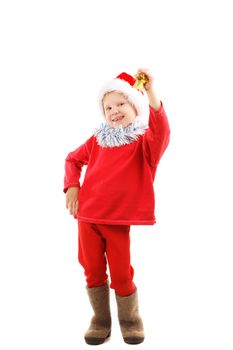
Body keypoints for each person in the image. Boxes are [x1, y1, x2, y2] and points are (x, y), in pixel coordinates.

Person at [63, 68, 170, 345]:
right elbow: (72, 159)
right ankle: (100, 319)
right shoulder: (98, 140)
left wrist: (151, 93)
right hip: (87, 216)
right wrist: (73, 185)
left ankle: (131, 321)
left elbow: (162, 131)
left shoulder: (143, 143)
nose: (114, 110)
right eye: (108, 107)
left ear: (135, 105)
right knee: (92, 269)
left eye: (121, 103)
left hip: (117, 221)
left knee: (122, 273)